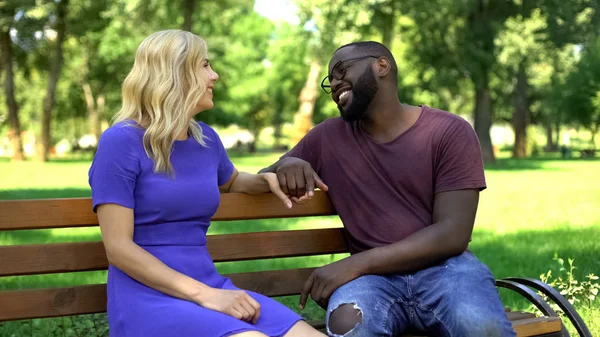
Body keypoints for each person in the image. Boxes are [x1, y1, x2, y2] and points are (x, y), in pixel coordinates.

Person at [260, 41, 516, 337]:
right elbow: (264, 177)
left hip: (447, 271)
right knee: (348, 327)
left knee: (482, 328)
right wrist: (287, 162)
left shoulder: (448, 131)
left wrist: (354, 265)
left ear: (381, 66)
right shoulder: (326, 137)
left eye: (342, 70)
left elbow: (453, 233)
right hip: (371, 282)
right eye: (330, 80)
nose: (335, 85)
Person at [88, 30, 325, 337]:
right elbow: (118, 248)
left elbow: (231, 180)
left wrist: (266, 180)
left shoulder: (205, 139)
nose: (214, 75)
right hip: (148, 299)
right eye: (204, 65)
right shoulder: (121, 142)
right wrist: (206, 296)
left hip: (211, 286)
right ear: (174, 74)